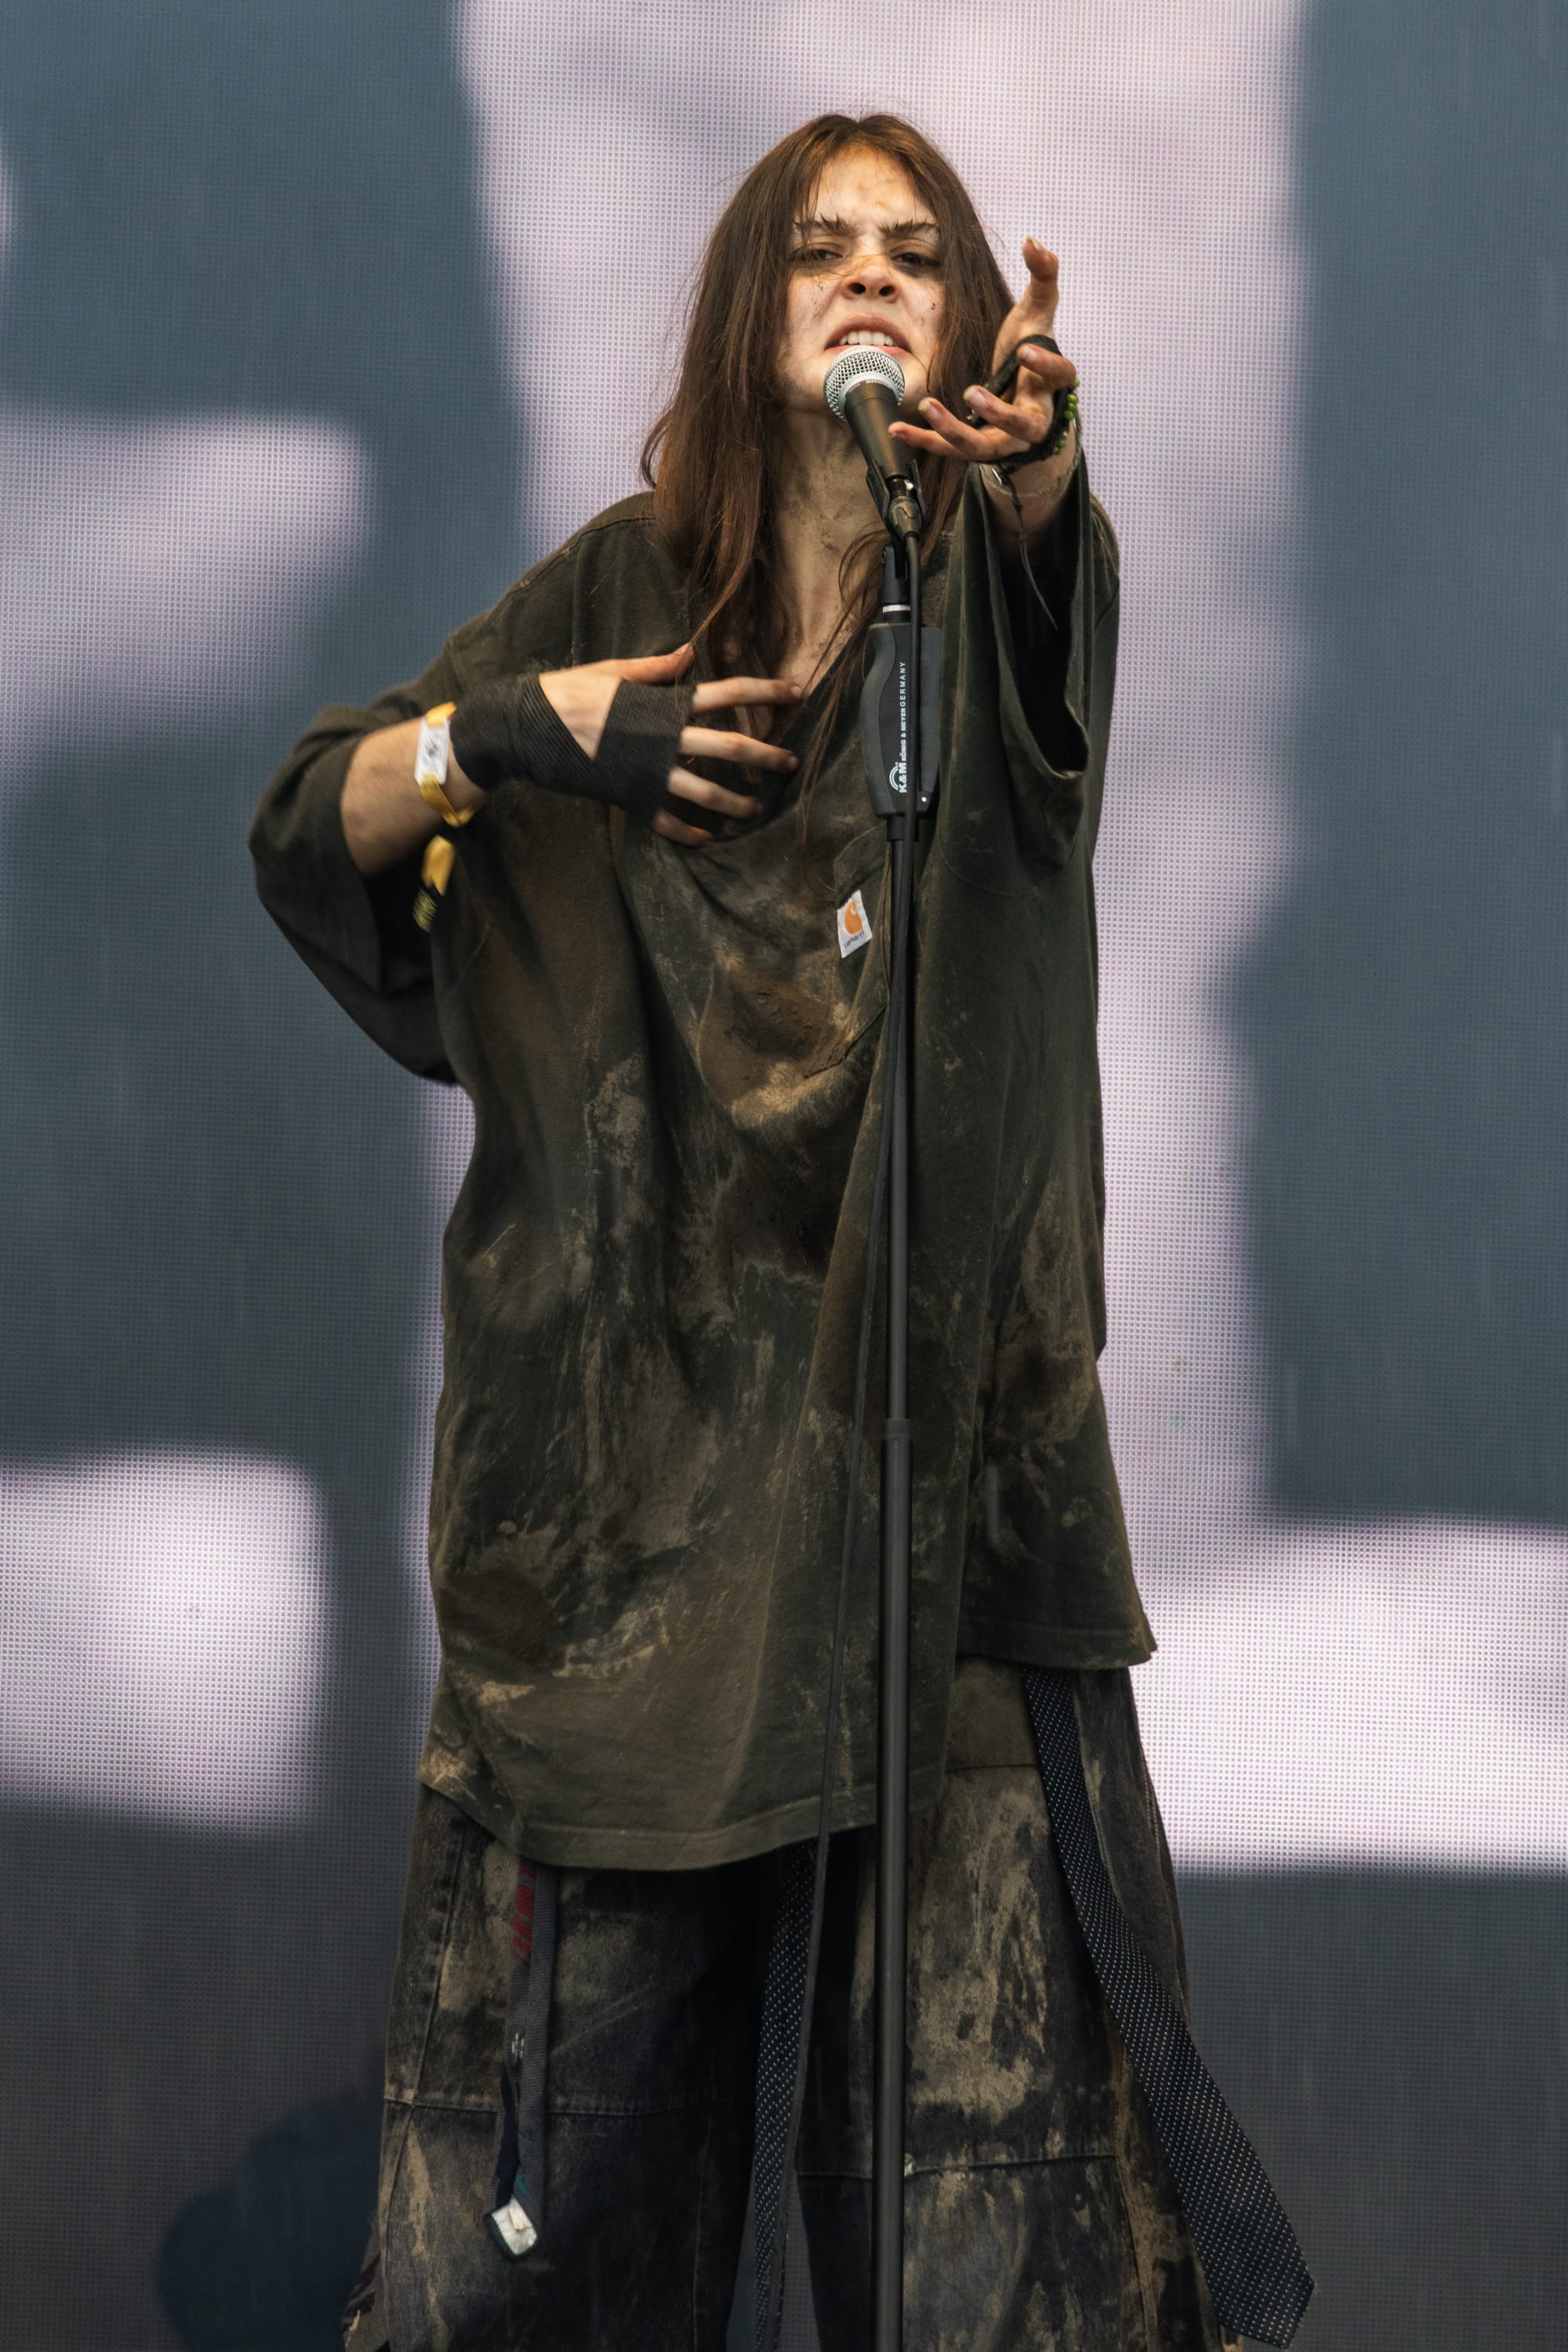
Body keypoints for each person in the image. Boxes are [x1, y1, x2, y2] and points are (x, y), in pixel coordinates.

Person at [251, 111, 1240, 2352]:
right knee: (548, 2263)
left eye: (912, 250)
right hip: (629, 1557)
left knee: (999, 2259)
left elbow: (1055, 595)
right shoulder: (614, 598)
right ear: (740, 311)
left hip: (936, 1532)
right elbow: (314, 820)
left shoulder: (992, 584)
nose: (869, 275)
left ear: (972, 325)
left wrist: (1036, 482)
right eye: (818, 248)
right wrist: (520, 735)